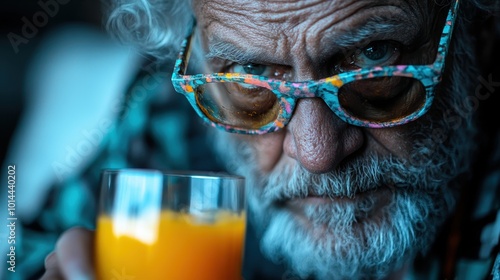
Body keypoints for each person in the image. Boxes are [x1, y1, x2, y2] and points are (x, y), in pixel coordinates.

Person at [38, 0, 500, 279]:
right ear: (197, 58)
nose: (317, 154)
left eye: (372, 58)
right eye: (251, 74)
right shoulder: (176, 111)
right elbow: (29, 246)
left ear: (476, 33)